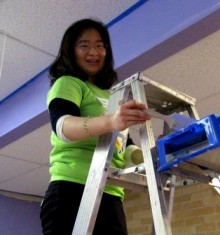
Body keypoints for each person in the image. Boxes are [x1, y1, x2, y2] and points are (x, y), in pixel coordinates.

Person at [40, 18, 150, 235]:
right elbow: (63, 126)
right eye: (85, 45)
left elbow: (124, 148)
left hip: (110, 193)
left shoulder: (114, 95)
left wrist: (152, 153)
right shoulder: (69, 83)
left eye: (100, 45)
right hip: (71, 188)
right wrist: (110, 121)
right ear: (70, 51)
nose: (94, 51)